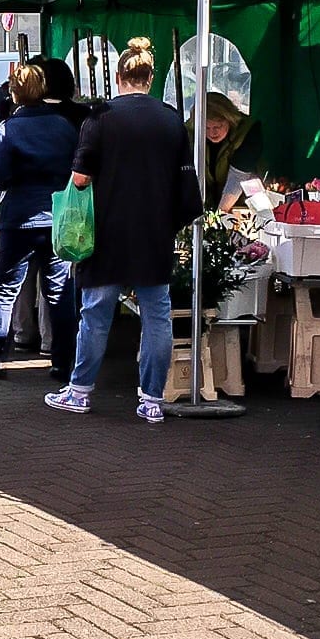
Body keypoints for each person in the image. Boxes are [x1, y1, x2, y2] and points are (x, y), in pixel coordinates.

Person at [47, 38, 200, 425]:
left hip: (107, 233)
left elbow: (80, 179)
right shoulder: (171, 119)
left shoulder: (99, 118)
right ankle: (152, 400)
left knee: (96, 314)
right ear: (151, 77)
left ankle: (79, 392)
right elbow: (186, 187)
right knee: (157, 316)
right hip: (154, 233)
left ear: (119, 77)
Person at [0, 62, 78, 379]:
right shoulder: (64, 126)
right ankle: (62, 362)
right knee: (58, 291)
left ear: (14, 93)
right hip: (55, 215)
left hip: (19, 218)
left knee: (5, 290)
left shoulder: (8, 129)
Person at [200, 91, 263, 212]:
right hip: (208, 201)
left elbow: (237, 177)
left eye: (218, 126)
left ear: (229, 119)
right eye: (206, 127)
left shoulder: (248, 131)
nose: (212, 133)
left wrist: (218, 217)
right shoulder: (191, 132)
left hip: (245, 202)